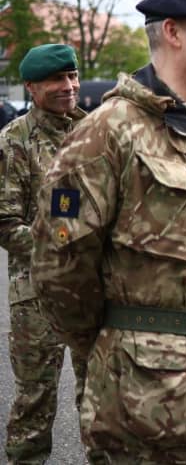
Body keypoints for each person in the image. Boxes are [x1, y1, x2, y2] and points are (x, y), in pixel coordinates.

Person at [30, 0, 186, 463]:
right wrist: (117, 349)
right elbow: (60, 270)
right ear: (172, 33)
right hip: (149, 405)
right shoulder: (108, 132)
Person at [0, 44, 93, 464]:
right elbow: (4, 222)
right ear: (32, 87)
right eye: (56, 79)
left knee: (100, 399)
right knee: (35, 401)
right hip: (36, 294)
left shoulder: (93, 131)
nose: (68, 86)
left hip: (94, 290)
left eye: (72, 76)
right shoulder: (14, 140)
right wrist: (58, 250)